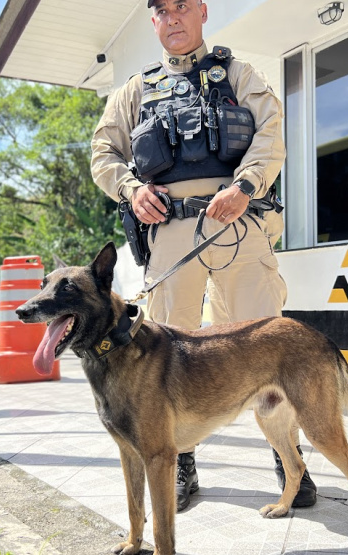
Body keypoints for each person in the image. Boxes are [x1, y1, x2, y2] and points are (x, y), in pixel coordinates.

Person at [90, 0, 317, 512]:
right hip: (168, 228)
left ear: (202, 12)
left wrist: (246, 184)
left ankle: (290, 461)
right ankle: (181, 463)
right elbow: (102, 154)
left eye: (182, 7)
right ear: (153, 21)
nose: (172, 18)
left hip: (237, 220)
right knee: (166, 351)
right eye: (162, 10)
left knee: (265, 343)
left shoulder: (237, 74)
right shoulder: (135, 90)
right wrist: (130, 189)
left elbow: (271, 133)